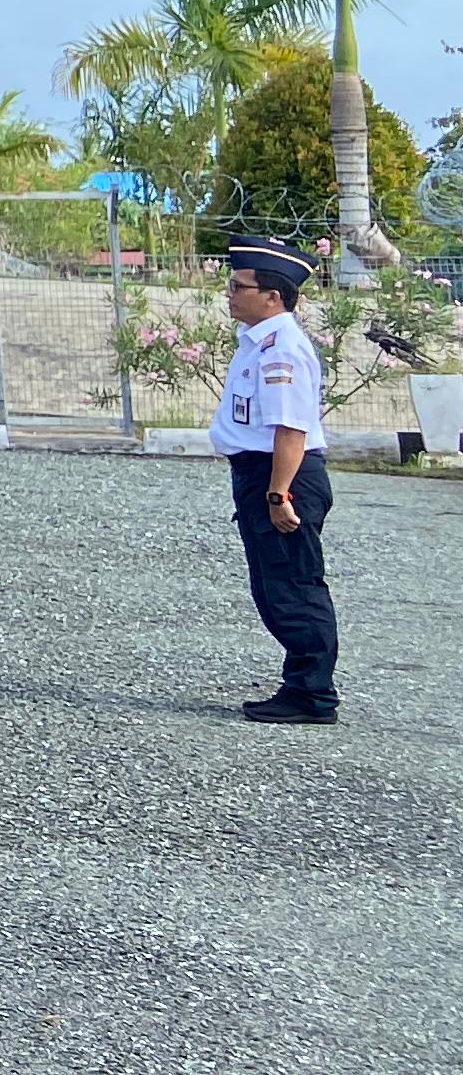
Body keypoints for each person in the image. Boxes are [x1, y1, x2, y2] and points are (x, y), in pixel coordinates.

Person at [214, 237, 338, 722]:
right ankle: (302, 686)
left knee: (293, 586)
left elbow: (291, 430)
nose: (229, 293)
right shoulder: (260, 342)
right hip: (262, 474)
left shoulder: (281, 350)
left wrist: (277, 494)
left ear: (272, 296)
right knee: (273, 587)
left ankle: (313, 695)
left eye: (238, 286)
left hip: (282, 476)